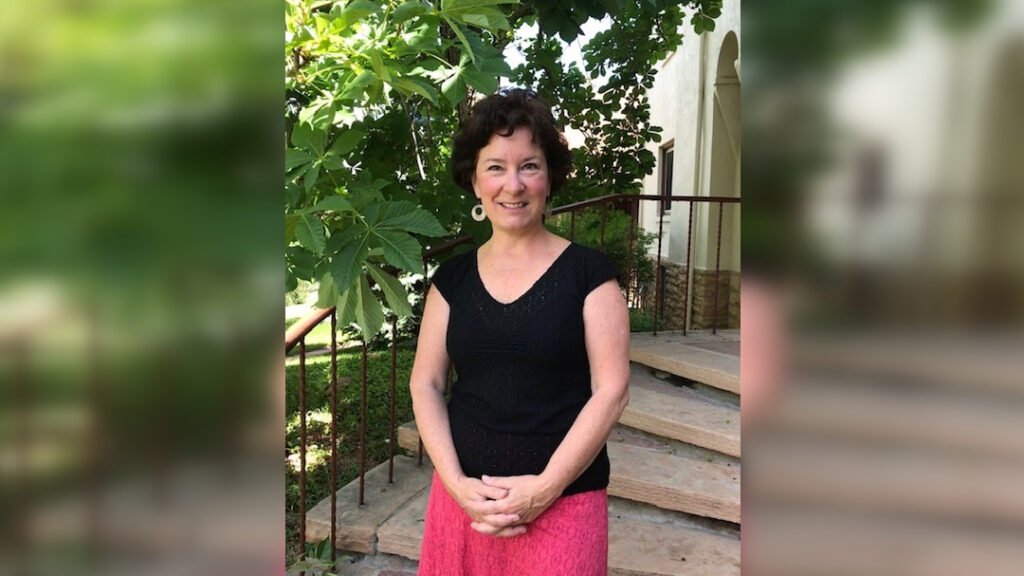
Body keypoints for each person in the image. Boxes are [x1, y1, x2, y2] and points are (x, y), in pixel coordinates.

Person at [410, 88, 631, 576]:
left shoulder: (590, 275)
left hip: (564, 507)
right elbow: (425, 383)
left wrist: (544, 489)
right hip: (463, 506)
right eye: (495, 167)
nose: (513, 185)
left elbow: (612, 391)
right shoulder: (452, 280)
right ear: (474, 181)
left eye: (529, 166)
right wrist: (455, 483)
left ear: (549, 178)